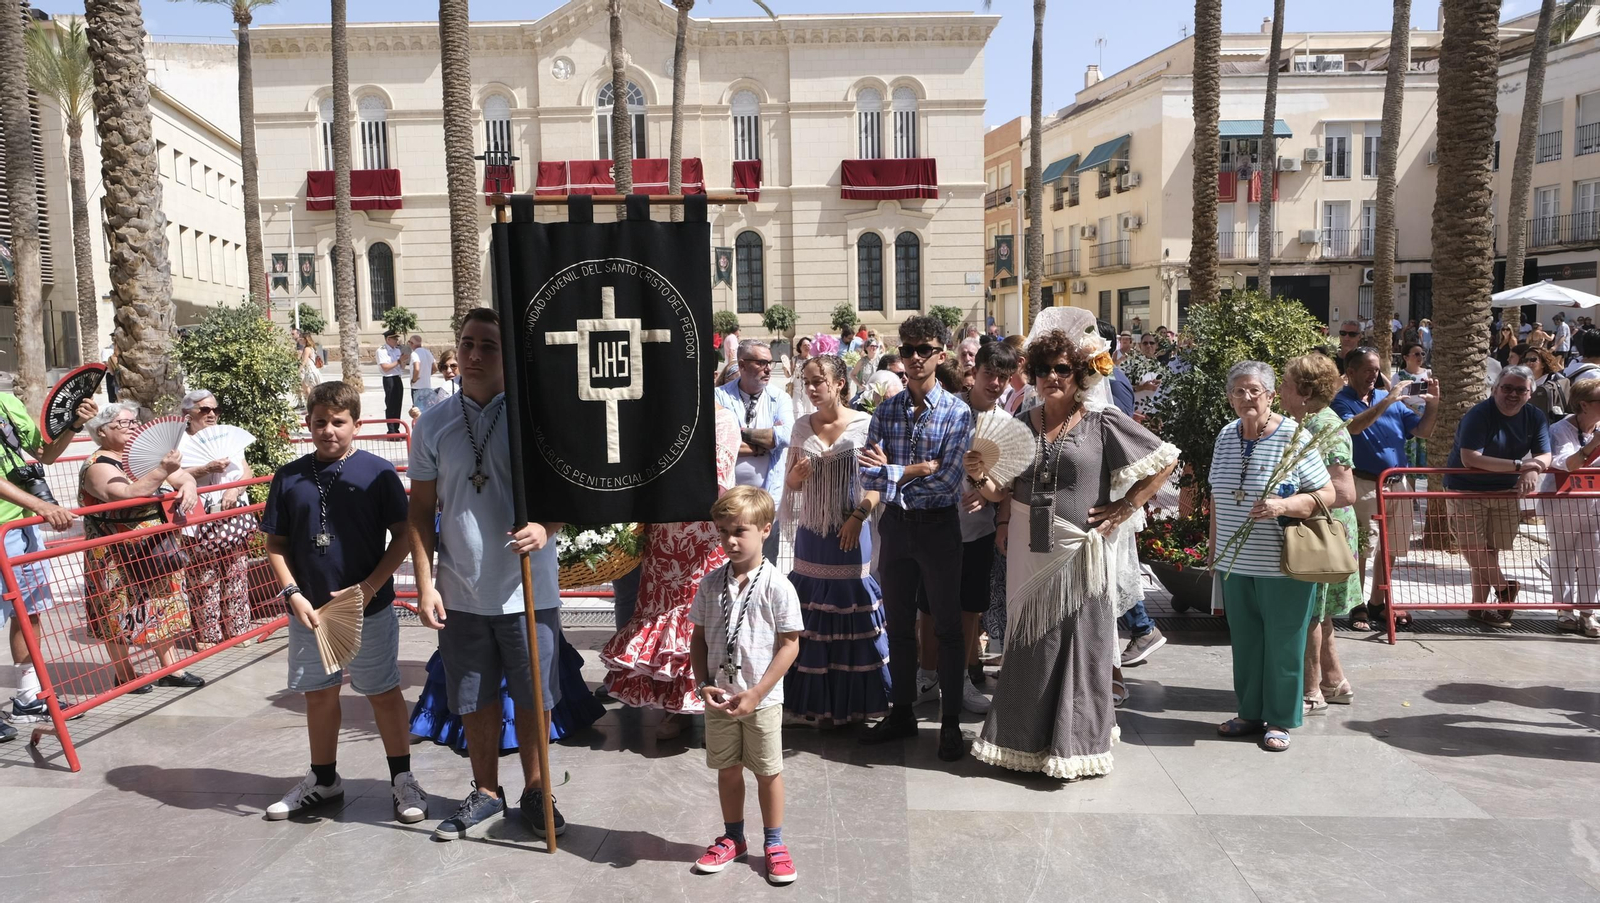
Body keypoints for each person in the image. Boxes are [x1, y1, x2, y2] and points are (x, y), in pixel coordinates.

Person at [968, 314, 1176, 779]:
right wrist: (980, 474)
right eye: (1044, 371)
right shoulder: (1021, 424)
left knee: (1082, 643)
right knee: (1031, 641)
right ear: (1034, 376)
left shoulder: (1104, 422)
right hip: (1029, 545)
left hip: (1081, 550)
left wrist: (1127, 506)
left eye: (1063, 369)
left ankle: (1074, 741)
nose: (1053, 378)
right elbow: (998, 491)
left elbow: (1164, 459)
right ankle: (1023, 741)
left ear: (1080, 374)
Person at [411, 308, 568, 841]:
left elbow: (566, 492)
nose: (474, 356)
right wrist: (426, 581)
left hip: (529, 588)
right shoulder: (433, 421)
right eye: (468, 344)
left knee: (533, 697)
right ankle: (484, 791)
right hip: (462, 588)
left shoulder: (534, 419)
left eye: (489, 346)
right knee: (473, 697)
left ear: (509, 355)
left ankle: (536, 790)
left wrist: (547, 527)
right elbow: (420, 511)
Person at [261, 381, 427, 824]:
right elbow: (275, 544)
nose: (328, 430)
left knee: (382, 691)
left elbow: (405, 536)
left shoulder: (378, 472)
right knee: (319, 695)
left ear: (356, 423)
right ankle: (323, 779)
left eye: (338, 422)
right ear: (308, 424)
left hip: (366, 608)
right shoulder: (289, 476)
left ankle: (402, 779)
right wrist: (291, 592)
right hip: (310, 612)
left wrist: (370, 587)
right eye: (320, 422)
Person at [857, 315, 975, 762]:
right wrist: (909, 471)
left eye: (924, 349)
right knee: (899, 625)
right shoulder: (885, 410)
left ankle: (949, 724)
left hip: (939, 527)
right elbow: (865, 472)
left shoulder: (957, 412)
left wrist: (891, 474)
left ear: (940, 355)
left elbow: (946, 482)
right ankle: (902, 710)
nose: (915, 358)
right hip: (897, 527)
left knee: (946, 628)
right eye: (908, 350)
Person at [1210, 362, 1337, 753]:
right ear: (1229, 398)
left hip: (1283, 564)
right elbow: (1216, 496)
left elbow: (1328, 494)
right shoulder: (1226, 436)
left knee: (1284, 642)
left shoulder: (1294, 437)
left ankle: (1280, 719)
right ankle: (1249, 713)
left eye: (1254, 391)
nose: (1246, 398)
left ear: (1268, 395)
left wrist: (1283, 506)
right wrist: (1214, 554)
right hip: (1236, 563)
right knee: (1246, 642)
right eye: (1238, 392)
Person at [601, 405, 740, 739]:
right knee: (666, 620)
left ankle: (719, 714)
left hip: (704, 538)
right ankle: (674, 708)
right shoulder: (658, 417)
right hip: (663, 534)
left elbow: (717, 479)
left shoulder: (720, 418)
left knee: (707, 622)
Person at [689, 486, 803, 886]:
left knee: (768, 771)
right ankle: (733, 837)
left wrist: (757, 692)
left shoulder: (777, 584)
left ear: (765, 530)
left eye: (740, 531)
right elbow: (699, 637)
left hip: (763, 699)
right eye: (722, 532)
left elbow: (790, 644)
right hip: (720, 697)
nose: (730, 541)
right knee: (727, 769)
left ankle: (774, 843)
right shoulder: (710, 584)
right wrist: (703, 682)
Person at [780, 355, 891, 726]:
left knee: (853, 608)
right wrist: (796, 476)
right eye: (806, 383)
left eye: (818, 381)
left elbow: (879, 484)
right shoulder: (799, 427)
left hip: (851, 529)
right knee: (810, 613)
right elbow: (791, 487)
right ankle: (812, 706)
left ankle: (853, 706)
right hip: (812, 532)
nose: (811, 389)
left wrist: (859, 518)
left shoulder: (865, 424)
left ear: (839, 383)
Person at [79, 403, 204, 694]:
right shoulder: (98, 465)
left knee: (161, 603)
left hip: (153, 547)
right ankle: (124, 674)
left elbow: (181, 476)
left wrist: (188, 485)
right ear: (102, 430)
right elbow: (125, 494)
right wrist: (163, 469)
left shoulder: (137, 457)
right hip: (113, 552)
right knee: (116, 611)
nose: (133, 426)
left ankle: (172, 668)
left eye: (134, 421)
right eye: (123, 423)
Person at [0, 392, 96, 731]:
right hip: (8, 525)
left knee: (28, 612)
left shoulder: (6, 403)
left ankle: (28, 697)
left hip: (20, 527)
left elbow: (47, 454)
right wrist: (42, 506)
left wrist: (75, 423)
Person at [1331, 347, 1438, 631]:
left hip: (1397, 484)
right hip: (1363, 484)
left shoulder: (1390, 400)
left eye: (1376, 369)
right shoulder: (1341, 401)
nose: (1373, 375)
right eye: (1367, 369)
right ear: (1350, 372)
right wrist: (1388, 400)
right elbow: (1354, 427)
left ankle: (1378, 602)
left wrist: (1434, 406)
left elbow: (1422, 431)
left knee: (1391, 548)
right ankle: (1357, 606)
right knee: (1363, 549)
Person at [1281, 354, 1361, 715]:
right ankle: (1334, 682)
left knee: (1310, 613)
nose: (1279, 390)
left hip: (1322, 532)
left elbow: (1344, 491)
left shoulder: (1323, 427)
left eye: (1285, 383)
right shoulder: (1306, 422)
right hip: (1319, 528)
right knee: (1320, 612)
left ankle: (1310, 691)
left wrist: (1288, 500)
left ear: (1304, 391)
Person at [1444, 365, 1552, 627]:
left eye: (1520, 390)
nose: (1513, 394)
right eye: (1507, 388)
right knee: (1471, 547)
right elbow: (1470, 459)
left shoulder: (1535, 416)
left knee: (1489, 550)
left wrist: (1534, 468)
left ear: (1529, 394)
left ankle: (1479, 608)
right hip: (1465, 489)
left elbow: (1545, 455)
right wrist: (1520, 466)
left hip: (1505, 491)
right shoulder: (1479, 415)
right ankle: (1504, 587)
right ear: (1495, 389)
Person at [176, 390, 254, 648]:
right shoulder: (179, 443)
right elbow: (172, 475)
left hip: (232, 514)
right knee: (203, 577)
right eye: (204, 410)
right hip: (199, 518)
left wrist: (235, 489)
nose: (211, 414)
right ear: (188, 415)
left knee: (236, 571)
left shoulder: (229, 436)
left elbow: (246, 470)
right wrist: (206, 469)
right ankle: (208, 635)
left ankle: (239, 630)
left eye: (215, 410)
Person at [714, 339, 793, 563]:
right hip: (727, 500)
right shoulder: (719, 396)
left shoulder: (779, 398)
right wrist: (763, 442)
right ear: (742, 364)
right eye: (760, 363)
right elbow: (714, 441)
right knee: (727, 565)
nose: (768, 368)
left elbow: (787, 435)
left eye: (770, 363)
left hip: (768, 501)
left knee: (765, 565)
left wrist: (737, 433)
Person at [1539, 377, 1600, 637]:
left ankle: (1589, 612)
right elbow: (1568, 463)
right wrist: (1594, 444)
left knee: (1594, 556)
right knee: (1562, 554)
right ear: (1584, 405)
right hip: (1563, 501)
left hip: (1594, 502)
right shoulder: (1560, 430)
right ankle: (1564, 609)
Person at [1524, 345, 1570, 419]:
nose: (1529, 363)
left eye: (1533, 360)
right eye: (1526, 360)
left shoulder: (1553, 382)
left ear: (1543, 364)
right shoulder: (1524, 380)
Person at [376, 331, 404, 434]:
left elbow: (402, 367)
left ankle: (396, 429)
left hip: (397, 377)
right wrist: (399, 361)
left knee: (398, 404)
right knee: (391, 404)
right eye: (395, 339)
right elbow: (385, 367)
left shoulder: (397, 350)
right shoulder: (381, 351)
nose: (397, 341)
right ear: (388, 339)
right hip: (389, 379)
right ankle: (391, 430)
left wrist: (403, 361)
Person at [408, 335, 436, 415]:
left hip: (417, 388)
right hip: (427, 386)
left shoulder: (415, 354)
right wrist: (427, 374)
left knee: (417, 413)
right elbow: (435, 368)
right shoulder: (428, 352)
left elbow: (417, 368)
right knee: (427, 412)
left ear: (412, 343)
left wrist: (414, 379)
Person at [298, 334, 324, 407]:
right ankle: (313, 407)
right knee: (310, 390)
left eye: (301, 339)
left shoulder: (307, 349)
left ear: (305, 339)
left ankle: (311, 407)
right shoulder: (311, 348)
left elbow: (304, 361)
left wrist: (298, 370)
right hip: (312, 371)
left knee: (308, 391)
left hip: (310, 371)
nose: (300, 340)